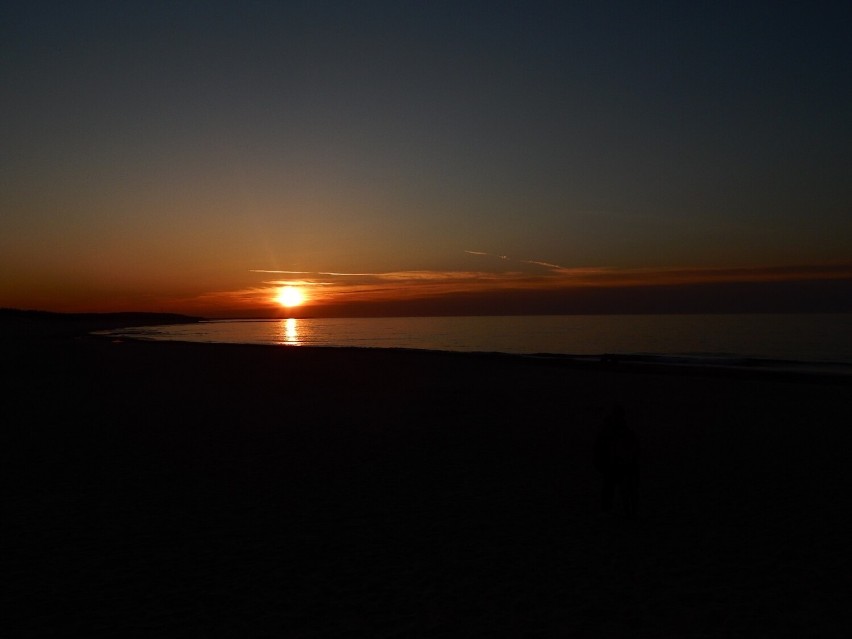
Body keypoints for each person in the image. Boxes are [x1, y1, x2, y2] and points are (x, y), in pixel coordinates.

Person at [594, 404, 639, 517]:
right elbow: (601, 447)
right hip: (614, 464)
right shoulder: (613, 431)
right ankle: (618, 511)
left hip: (620, 464)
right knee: (613, 489)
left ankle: (622, 511)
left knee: (619, 490)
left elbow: (632, 447)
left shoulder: (619, 431)